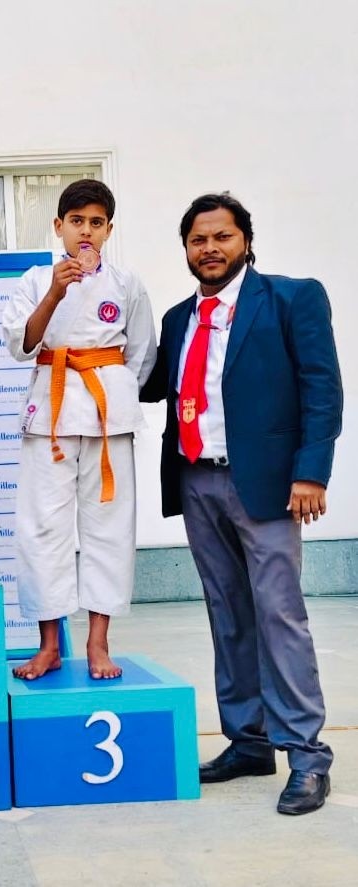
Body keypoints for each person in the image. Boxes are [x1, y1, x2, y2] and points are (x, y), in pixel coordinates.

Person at [140, 192, 342, 815]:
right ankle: (249, 740)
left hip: (269, 485)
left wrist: (311, 473)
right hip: (197, 482)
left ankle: (306, 755)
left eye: (222, 237)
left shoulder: (291, 298)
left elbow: (322, 389)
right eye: (198, 240)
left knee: (279, 614)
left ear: (245, 242)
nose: (210, 249)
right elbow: (152, 383)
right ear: (186, 249)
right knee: (227, 613)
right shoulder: (178, 318)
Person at [2, 179, 156, 680]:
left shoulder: (127, 283)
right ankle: (49, 643)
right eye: (76, 222)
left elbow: (141, 355)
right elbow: (21, 344)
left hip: (107, 415)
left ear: (108, 230)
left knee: (108, 528)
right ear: (58, 226)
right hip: (50, 412)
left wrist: (114, 393)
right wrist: (55, 291)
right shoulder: (34, 280)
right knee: (42, 527)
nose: (85, 231)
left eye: (95, 223)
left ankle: (98, 642)